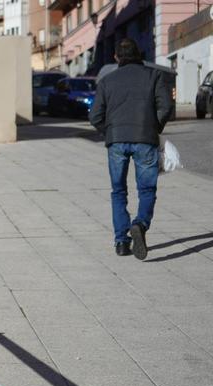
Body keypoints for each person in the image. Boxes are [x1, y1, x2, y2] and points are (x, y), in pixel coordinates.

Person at [89, 38, 173, 260]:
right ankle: (140, 224)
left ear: (116, 57)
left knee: (118, 191)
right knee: (146, 190)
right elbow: (165, 107)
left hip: (116, 140)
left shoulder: (107, 81)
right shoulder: (154, 76)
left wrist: (109, 134)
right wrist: (153, 127)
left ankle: (121, 242)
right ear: (139, 54)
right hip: (145, 139)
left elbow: (95, 116)